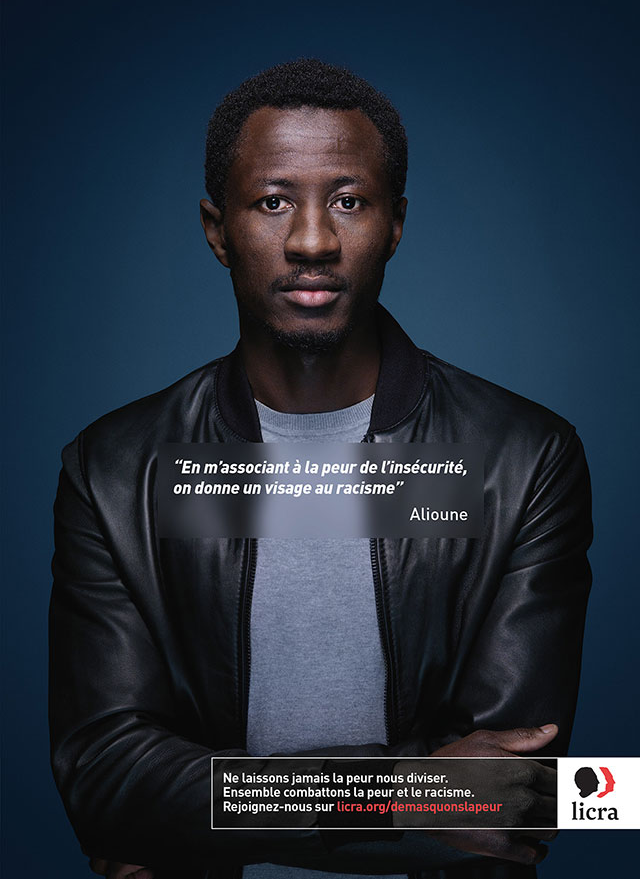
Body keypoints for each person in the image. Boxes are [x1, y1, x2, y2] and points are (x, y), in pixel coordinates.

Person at [49, 60, 592, 879]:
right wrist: (407, 792)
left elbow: (519, 791)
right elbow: (105, 776)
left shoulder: (524, 458)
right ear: (216, 228)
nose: (312, 240)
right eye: (273, 201)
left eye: (349, 200)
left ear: (396, 223)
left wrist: (204, 806)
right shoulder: (115, 469)